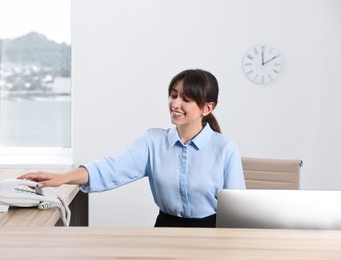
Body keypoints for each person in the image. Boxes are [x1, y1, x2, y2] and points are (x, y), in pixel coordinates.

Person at [18, 69, 246, 228]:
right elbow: (113, 168)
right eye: (173, 95)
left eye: (185, 99)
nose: (175, 104)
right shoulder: (153, 141)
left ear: (207, 107)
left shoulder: (225, 149)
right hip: (165, 230)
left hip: (213, 234)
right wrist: (62, 178)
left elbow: (238, 211)